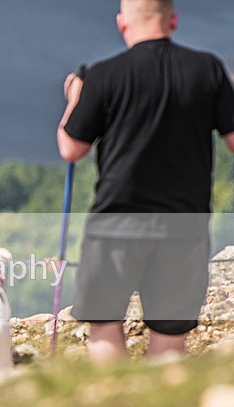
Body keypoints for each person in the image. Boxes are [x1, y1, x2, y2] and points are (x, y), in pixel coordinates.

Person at [57, 0, 234, 363]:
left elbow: (72, 148)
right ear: (173, 20)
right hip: (185, 221)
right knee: (170, 333)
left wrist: (75, 97)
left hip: (116, 219)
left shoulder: (104, 74)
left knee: (105, 323)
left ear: (122, 24)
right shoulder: (208, 69)